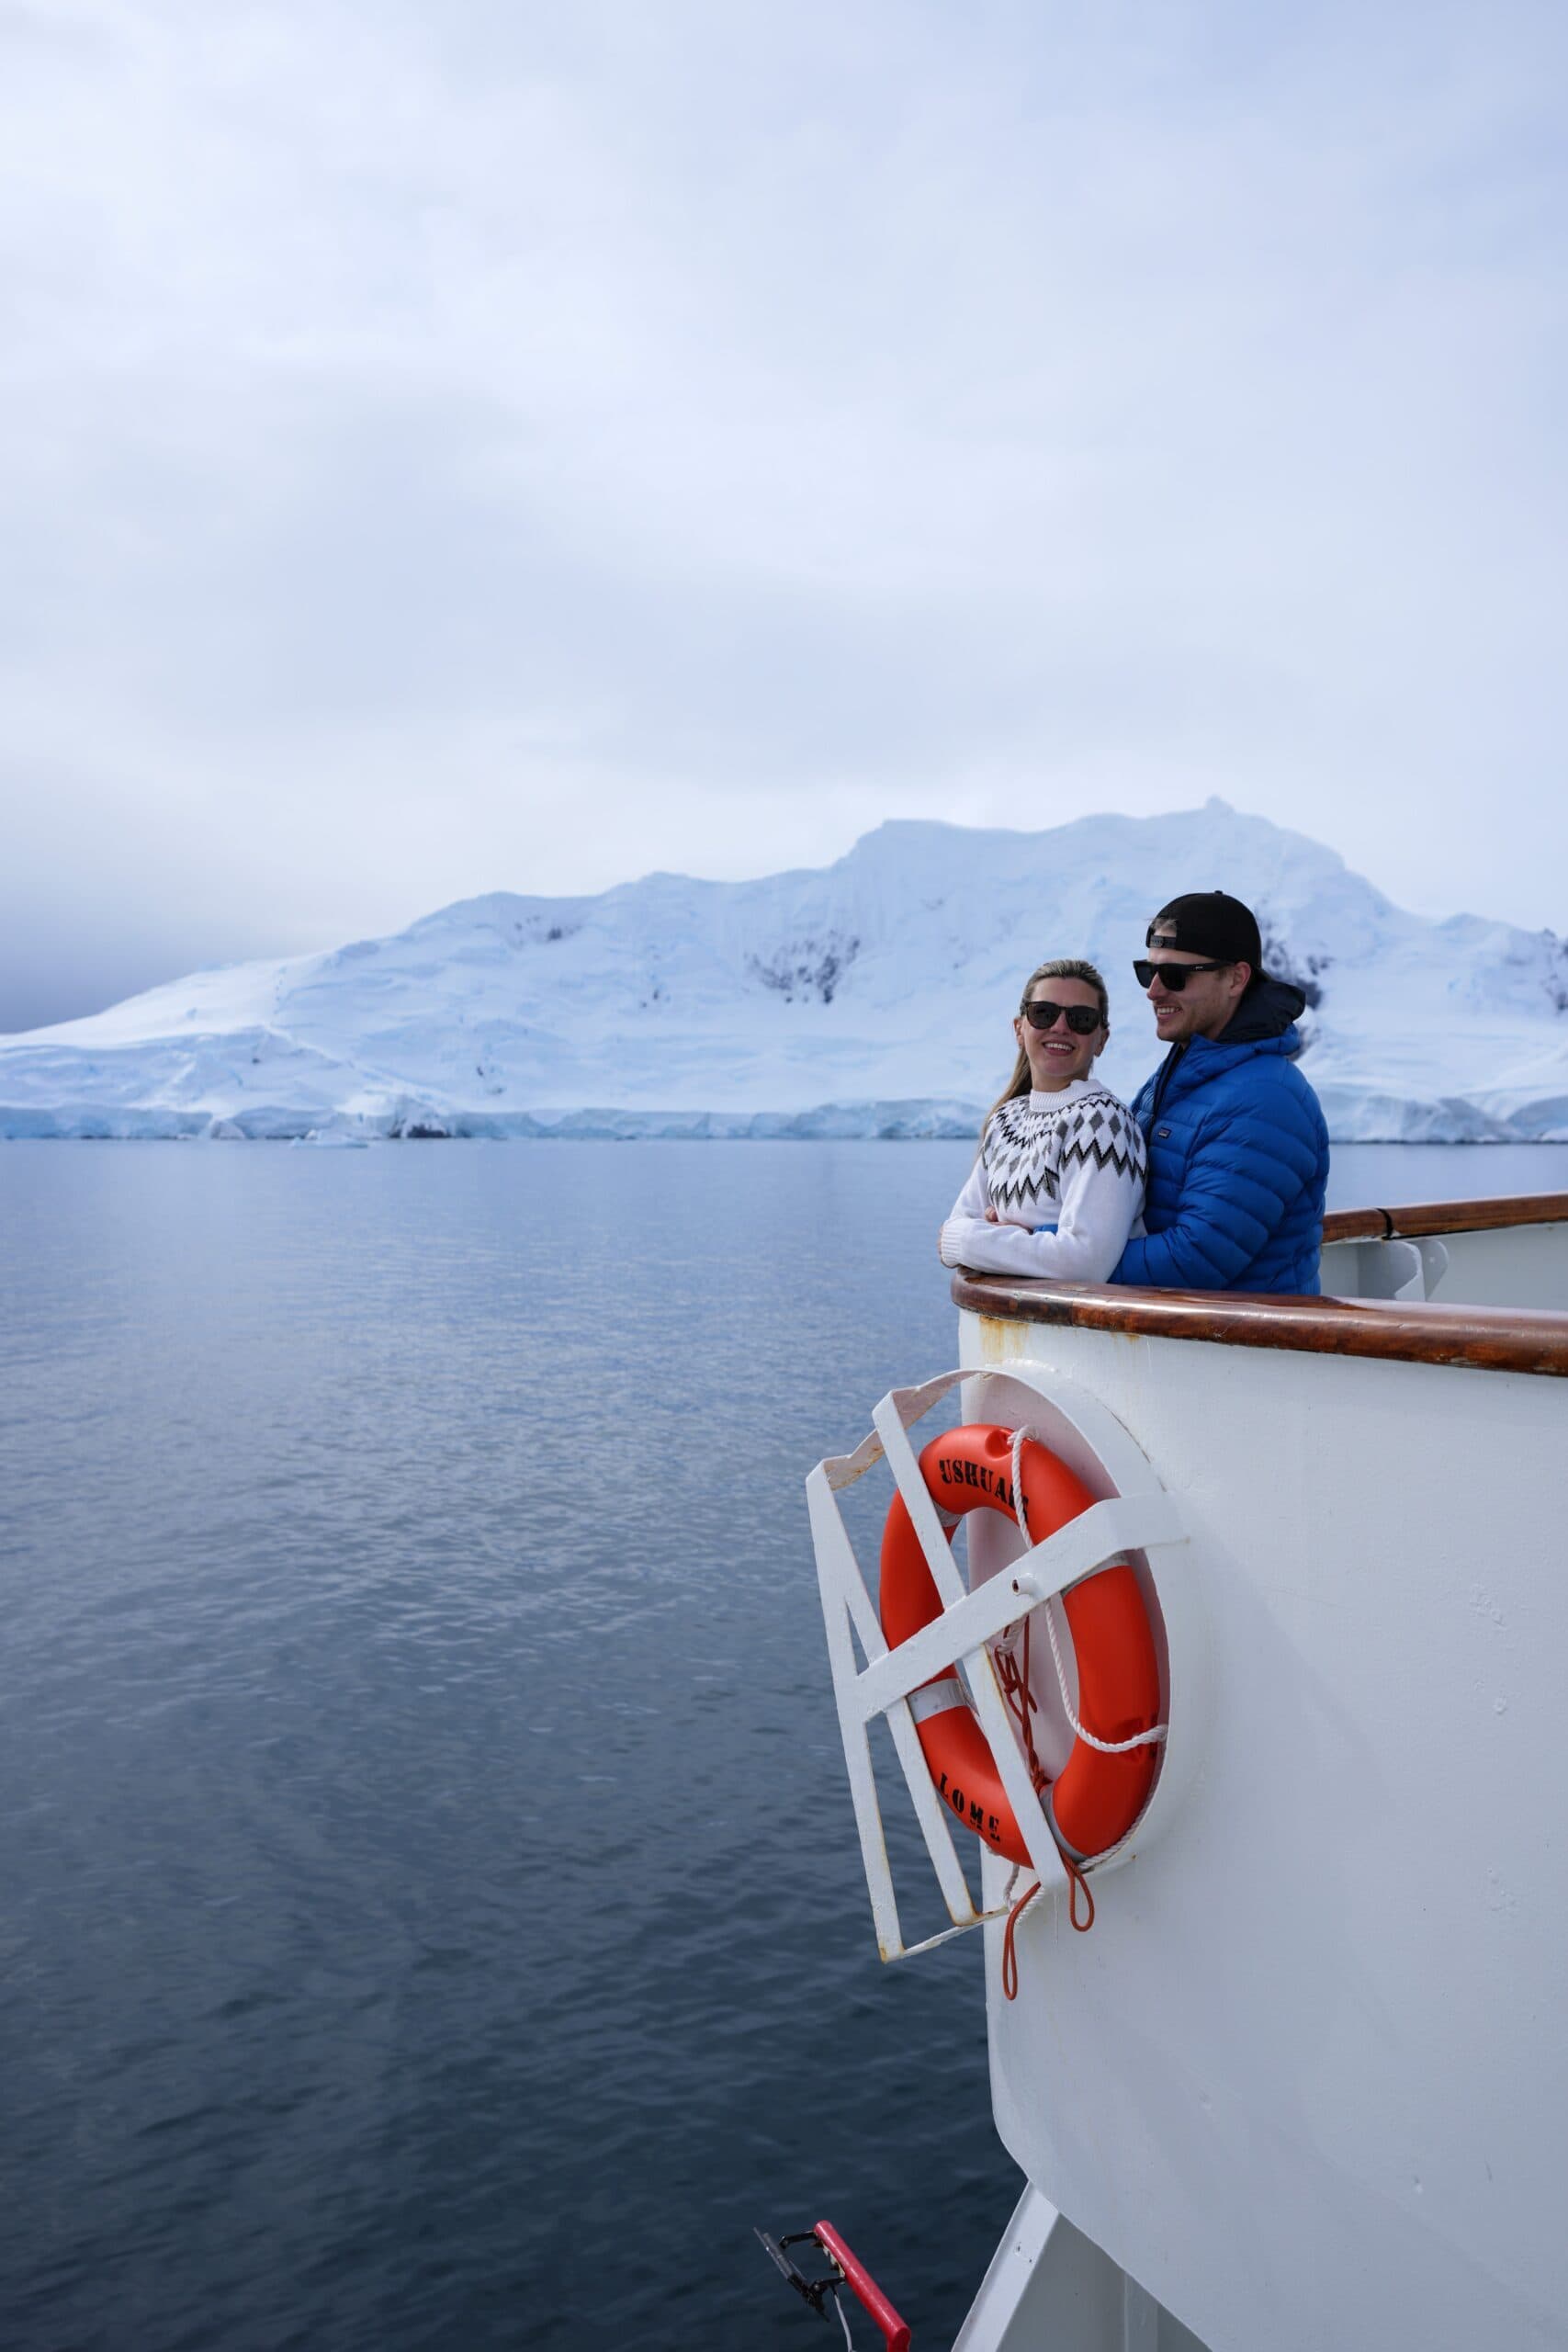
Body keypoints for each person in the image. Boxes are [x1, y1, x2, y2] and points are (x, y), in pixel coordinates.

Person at [1110, 890, 1329, 1293]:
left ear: (1236, 978)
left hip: (1246, 1348)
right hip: (1192, 1343)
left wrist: (1053, 1251)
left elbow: (1196, 1259)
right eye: (1148, 972)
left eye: (1175, 976)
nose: (1153, 991)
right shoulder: (1186, 1071)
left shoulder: (1265, 1100)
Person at [939, 959, 1146, 1283]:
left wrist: (973, 1241)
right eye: (1043, 1013)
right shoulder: (1006, 1119)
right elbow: (954, 1225)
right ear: (1020, 1028)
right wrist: (1027, 1244)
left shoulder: (1103, 1122)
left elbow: (1084, 1263)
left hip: (1076, 1332)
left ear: (1101, 1039)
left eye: (1081, 1019)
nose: (1060, 1027)